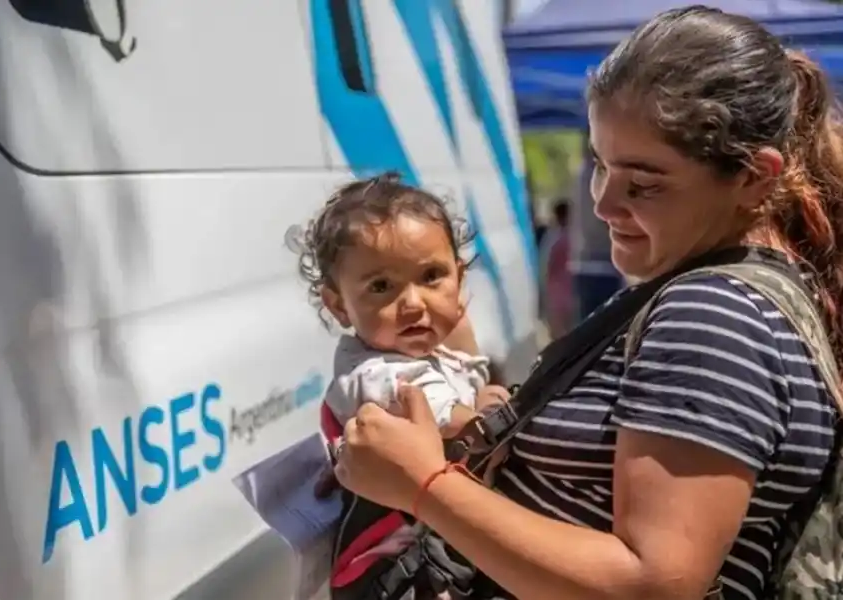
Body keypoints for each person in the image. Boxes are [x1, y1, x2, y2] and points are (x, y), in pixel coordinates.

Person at [330, 7, 843, 600]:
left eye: (644, 182)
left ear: (755, 177)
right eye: (599, 164)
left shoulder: (713, 316)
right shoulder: (715, 290)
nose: (603, 203)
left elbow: (651, 584)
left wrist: (421, 483)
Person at [290, 172, 508, 438]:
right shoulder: (375, 375)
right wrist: (491, 409)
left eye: (431, 277)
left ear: (459, 279)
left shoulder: (434, 353)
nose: (414, 304)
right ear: (338, 306)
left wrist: (483, 388)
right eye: (381, 286)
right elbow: (464, 427)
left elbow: (470, 382)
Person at [538, 198, 574, 338]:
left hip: (556, 295)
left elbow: (545, 268)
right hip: (572, 292)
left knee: (559, 336)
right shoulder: (575, 235)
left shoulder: (552, 238)